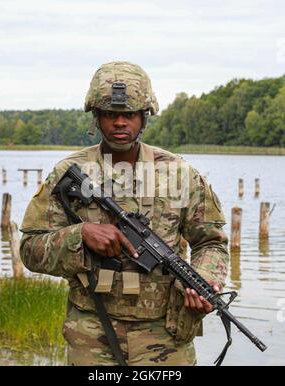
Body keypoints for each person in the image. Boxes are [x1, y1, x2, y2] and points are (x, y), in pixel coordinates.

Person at [20, 61, 229, 366]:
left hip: (166, 336)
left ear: (144, 117)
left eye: (129, 114)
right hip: (91, 334)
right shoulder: (68, 173)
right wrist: (81, 236)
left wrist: (204, 280)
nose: (120, 123)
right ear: (97, 116)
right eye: (110, 114)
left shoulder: (179, 174)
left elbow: (211, 242)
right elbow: (29, 249)